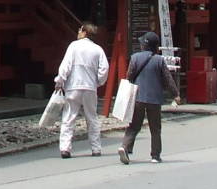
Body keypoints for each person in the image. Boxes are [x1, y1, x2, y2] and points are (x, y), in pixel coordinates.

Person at [120, 32, 180, 163]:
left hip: (138, 97)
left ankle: (125, 147)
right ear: (156, 47)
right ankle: (155, 155)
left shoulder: (135, 58)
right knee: (155, 128)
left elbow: (129, 76)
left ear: (143, 45)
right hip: (154, 98)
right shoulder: (159, 60)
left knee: (134, 125)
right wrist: (175, 94)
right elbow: (167, 79)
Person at [54, 22, 109, 158]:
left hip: (73, 86)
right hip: (90, 87)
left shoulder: (74, 46)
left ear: (84, 32)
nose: (78, 32)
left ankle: (65, 148)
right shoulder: (98, 49)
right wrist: (98, 82)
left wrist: (60, 80)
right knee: (92, 118)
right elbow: (104, 69)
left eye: (79, 30)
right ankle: (96, 148)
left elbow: (65, 66)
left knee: (69, 117)